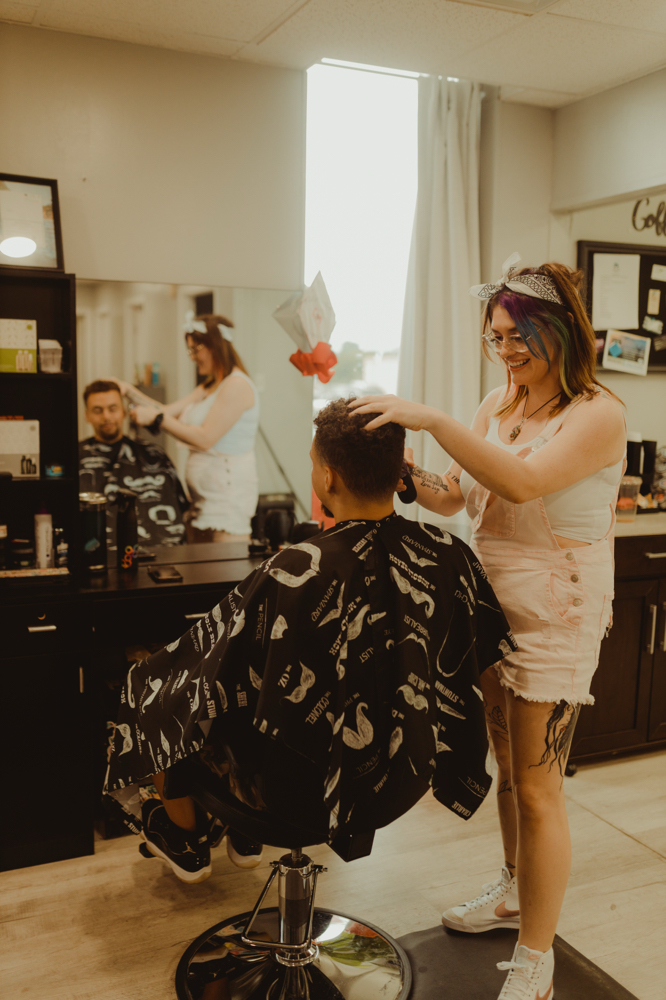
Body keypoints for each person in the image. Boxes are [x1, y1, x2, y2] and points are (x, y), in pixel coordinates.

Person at [349, 255, 626, 1000]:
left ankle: (538, 958)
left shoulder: (597, 413)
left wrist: (433, 419)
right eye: (495, 336)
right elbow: (455, 496)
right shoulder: (500, 404)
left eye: (516, 336)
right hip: (491, 603)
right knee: (507, 763)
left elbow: (524, 483)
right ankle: (511, 890)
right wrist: (407, 473)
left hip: (558, 611)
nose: (504, 350)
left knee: (538, 789)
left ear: (561, 330)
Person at [105, 398, 516, 884]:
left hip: (295, 794)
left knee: (149, 685)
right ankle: (241, 835)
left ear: (327, 479)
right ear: (399, 472)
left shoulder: (294, 568)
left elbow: (213, 669)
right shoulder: (450, 554)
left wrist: (152, 669)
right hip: (401, 778)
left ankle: (188, 836)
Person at [108, 312, 259, 543]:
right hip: (202, 500)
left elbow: (205, 438)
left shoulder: (237, 385)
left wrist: (157, 419)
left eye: (195, 350)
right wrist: (128, 391)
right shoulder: (209, 386)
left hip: (227, 500)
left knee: (226, 565)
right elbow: (167, 410)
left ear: (215, 346)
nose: (192, 357)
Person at [79, 380, 187, 550]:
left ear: (124, 411)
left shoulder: (154, 455)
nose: (106, 416)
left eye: (112, 409)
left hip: (162, 553)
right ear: (87, 415)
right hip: (100, 555)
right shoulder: (75, 458)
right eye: (98, 410)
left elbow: (182, 509)